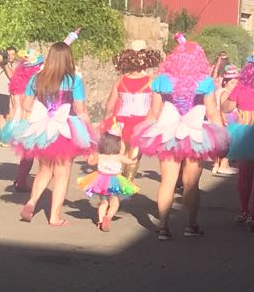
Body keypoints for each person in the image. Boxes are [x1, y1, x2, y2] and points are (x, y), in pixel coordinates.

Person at [134, 34, 229, 240]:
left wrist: (140, 140)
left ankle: (163, 227)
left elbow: (154, 113)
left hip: (167, 133)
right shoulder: (205, 82)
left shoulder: (161, 81)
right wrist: (223, 139)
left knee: (167, 181)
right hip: (195, 134)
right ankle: (190, 225)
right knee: (191, 183)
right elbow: (212, 113)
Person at [12, 35, 94, 227]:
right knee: (62, 173)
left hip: (43, 129)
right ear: (68, 58)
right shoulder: (74, 81)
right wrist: (89, 135)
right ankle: (54, 217)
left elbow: (26, 104)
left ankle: (32, 202)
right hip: (65, 129)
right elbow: (81, 111)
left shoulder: (36, 78)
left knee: (44, 170)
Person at [104, 42, 163, 181]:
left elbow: (110, 105)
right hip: (141, 123)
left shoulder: (120, 81)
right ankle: (127, 181)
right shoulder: (151, 82)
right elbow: (155, 108)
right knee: (135, 155)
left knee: (121, 152)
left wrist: (107, 121)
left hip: (121, 122)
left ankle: (116, 180)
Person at [77, 126, 137, 233]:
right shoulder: (119, 157)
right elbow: (132, 162)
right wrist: (122, 139)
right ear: (117, 144)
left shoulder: (99, 155)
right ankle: (108, 217)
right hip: (115, 180)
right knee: (115, 203)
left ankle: (100, 220)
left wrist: (90, 156)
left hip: (101, 180)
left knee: (103, 202)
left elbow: (91, 163)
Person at [1, 51, 43, 192]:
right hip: (32, 118)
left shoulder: (16, 80)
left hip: (19, 120)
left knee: (27, 153)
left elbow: (14, 105)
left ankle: (21, 180)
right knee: (41, 154)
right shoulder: (35, 83)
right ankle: (28, 181)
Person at [223, 57, 254, 224]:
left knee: (245, 176)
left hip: (245, 135)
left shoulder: (240, 89)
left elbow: (226, 108)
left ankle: (244, 212)